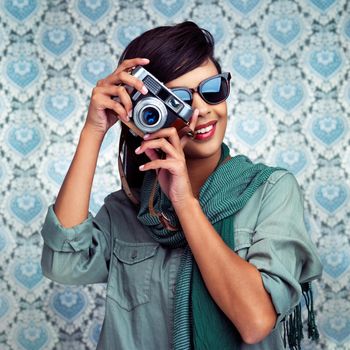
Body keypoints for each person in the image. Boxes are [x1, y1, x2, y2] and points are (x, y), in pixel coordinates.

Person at [40, 21, 322, 350]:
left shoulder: (270, 191)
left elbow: (255, 321)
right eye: (178, 100)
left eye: (212, 90)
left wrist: (185, 202)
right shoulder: (127, 209)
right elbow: (62, 265)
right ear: (147, 116)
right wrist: (94, 129)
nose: (200, 110)